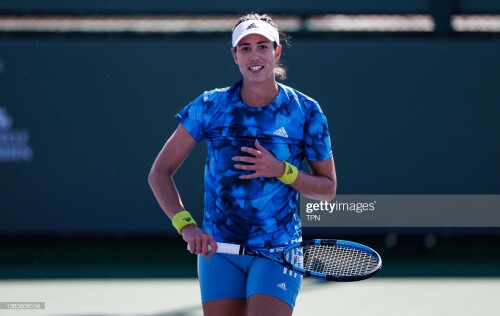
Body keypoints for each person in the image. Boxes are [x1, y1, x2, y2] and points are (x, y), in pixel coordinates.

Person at [148, 13, 336, 316]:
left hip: (279, 252)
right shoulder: (210, 105)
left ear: (276, 51)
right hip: (218, 253)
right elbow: (159, 172)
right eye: (245, 48)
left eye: (262, 46)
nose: (254, 55)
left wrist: (281, 170)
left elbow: (327, 189)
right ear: (235, 55)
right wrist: (186, 226)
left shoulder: (306, 111)